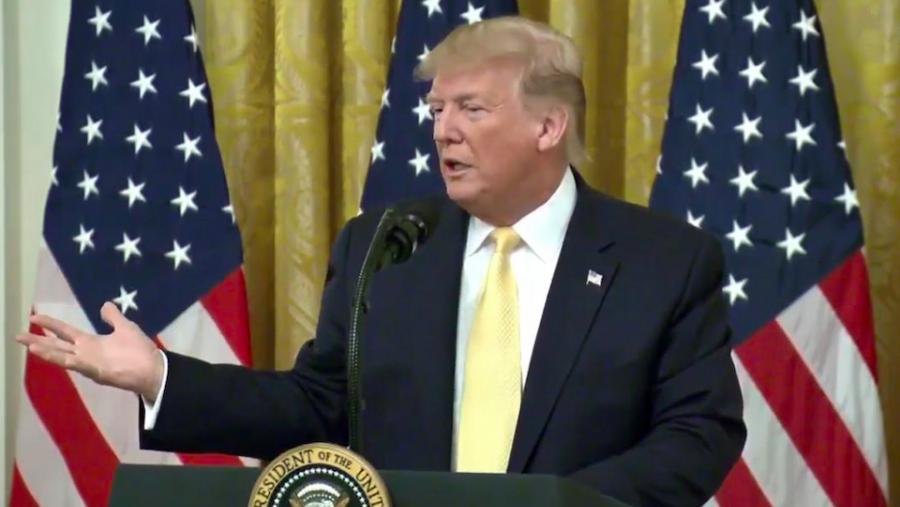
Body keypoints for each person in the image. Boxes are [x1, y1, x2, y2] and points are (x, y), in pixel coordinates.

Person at [17, 16, 745, 507]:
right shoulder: (387, 245)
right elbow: (319, 404)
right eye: (435, 112)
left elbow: (697, 434)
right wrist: (160, 377)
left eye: (472, 110)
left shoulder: (664, 262)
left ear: (549, 125)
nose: (444, 132)